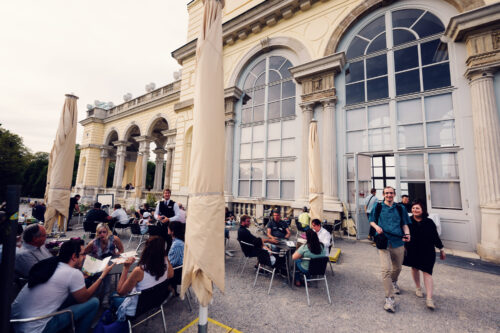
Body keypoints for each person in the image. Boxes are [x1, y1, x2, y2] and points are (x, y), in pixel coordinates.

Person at [11, 239, 115, 333]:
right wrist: (102, 275)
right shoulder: (73, 273)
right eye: (83, 254)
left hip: (16, 322)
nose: (85, 257)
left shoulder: (51, 264)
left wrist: (81, 278)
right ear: (74, 256)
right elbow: (84, 298)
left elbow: (59, 282)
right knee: (94, 302)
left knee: (73, 295)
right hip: (38, 328)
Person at [369, 186, 411, 313]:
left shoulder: (400, 208)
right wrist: (376, 227)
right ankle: (389, 299)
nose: (389, 195)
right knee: (386, 270)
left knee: (397, 267)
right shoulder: (378, 206)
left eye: (391, 193)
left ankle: (394, 281)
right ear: (383, 194)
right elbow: (371, 220)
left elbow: (404, 223)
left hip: (398, 242)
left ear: (394, 194)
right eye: (386, 193)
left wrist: (408, 234)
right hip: (383, 242)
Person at [114, 236, 173, 320]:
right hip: (154, 302)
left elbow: (120, 292)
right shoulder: (165, 264)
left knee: (113, 296)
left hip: (136, 310)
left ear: (146, 250)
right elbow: (171, 275)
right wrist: (165, 258)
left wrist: (126, 268)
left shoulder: (139, 271)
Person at [403, 200, 445, 310]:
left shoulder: (429, 222)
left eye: (417, 208)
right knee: (415, 268)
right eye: (413, 208)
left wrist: (441, 249)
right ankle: (418, 288)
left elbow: (435, 237)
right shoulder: (408, 221)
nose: (415, 210)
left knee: (428, 273)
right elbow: (403, 235)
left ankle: (429, 299)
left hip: (427, 251)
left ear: (423, 210)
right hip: (413, 250)